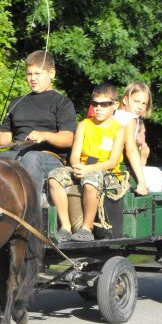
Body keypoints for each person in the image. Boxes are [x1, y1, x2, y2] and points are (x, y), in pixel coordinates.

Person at [0, 50, 76, 198]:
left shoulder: (62, 103)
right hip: (16, 155)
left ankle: (30, 213)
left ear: (51, 73)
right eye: (29, 74)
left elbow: (68, 139)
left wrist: (45, 135)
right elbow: (5, 140)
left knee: (32, 158)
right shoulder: (16, 103)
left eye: (37, 74)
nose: (32, 78)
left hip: (48, 158)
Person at [48, 83, 125, 242]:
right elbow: (75, 156)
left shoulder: (119, 129)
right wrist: (78, 166)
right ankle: (65, 226)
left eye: (104, 104)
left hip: (108, 173)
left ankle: (86, 227)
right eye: (95, 103)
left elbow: (112, 162)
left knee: (91, 181)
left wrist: (88, 169)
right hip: (83, 167)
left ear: (115, 105)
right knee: (54, 177)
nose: (98, 108)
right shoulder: (84, 125)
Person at [114, 81, 153, 195]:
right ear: (125, 100)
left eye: (144, 103)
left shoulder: (115, 114)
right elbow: (130, 150)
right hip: (118, 171)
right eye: (136, 101)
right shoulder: (129, 118)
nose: (140, 107)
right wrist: (142, 181)